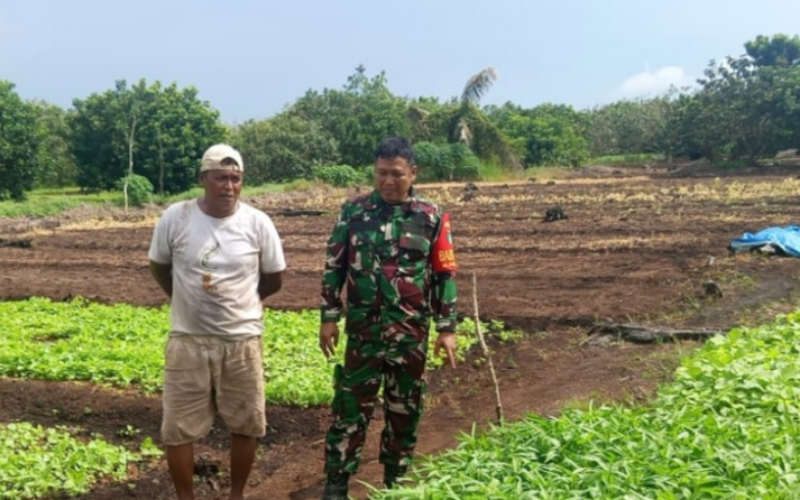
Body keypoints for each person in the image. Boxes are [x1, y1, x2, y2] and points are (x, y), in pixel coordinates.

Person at [318, 137, 458, 499]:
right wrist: (329, 316)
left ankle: (395, 482)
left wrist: (447, 328)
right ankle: (336, 484)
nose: (388, 181)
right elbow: (335, 265)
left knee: (404, 410)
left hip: (410, 335)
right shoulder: (354, 212)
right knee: (349, 408)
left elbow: (444, 274)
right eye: (381, 173)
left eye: (396, 173)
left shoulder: (431, 216)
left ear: (413, 173)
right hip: (363, 334)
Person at [148, 143, 286, 500]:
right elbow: (159, 266)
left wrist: (245, 302)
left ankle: (236, 494)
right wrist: (182, 298)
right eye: (220, 178)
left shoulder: (257, 223)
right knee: (177, 428)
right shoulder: (176, 217)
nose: (229, 186)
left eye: (235, 179)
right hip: (188, 340)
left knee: (246, 423)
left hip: (241, 341)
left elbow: (273, 278)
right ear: (203, 179)